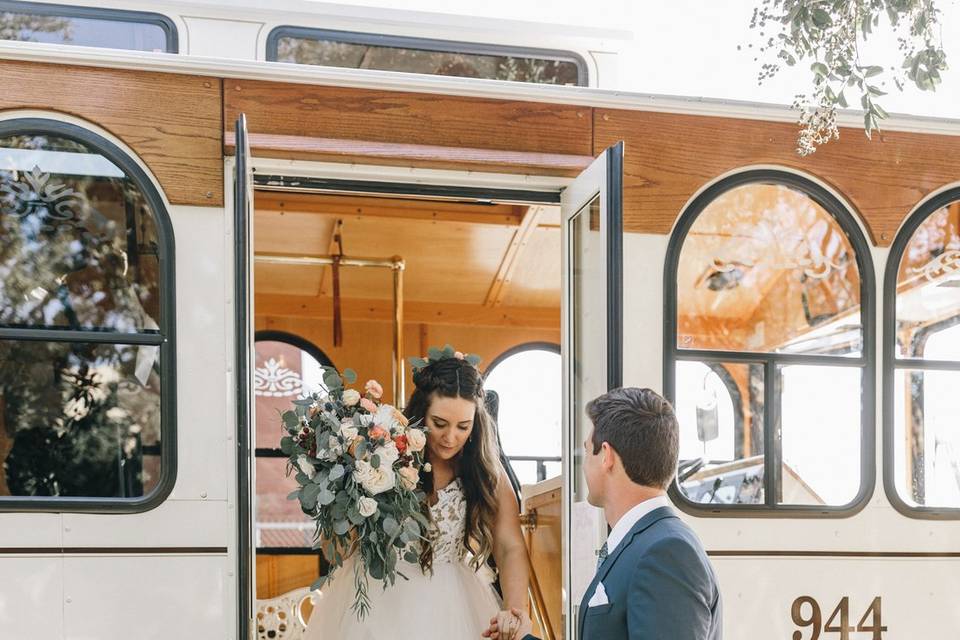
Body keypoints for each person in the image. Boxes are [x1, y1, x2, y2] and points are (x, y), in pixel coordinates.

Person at [303, 351, 530, 640]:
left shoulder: (484, 472)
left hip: (453, 603)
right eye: (439, 423)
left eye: (463, 426)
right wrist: (352, 485)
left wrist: (514, 609)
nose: (450, 438)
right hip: (375, 600)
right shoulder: (382, 456)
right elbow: (333, 551)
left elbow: (509, 544)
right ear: (421, 413)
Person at [484, 387, 722, 640]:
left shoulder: (667, 553)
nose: (584, 464)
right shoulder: (645, 542)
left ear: (606, 456)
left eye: (587, 451)